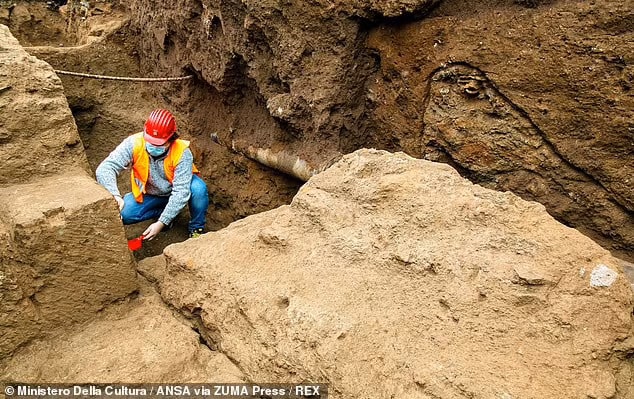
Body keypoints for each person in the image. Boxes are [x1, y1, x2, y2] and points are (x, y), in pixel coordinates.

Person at [96, 109, 209, 240]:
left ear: (171, 139)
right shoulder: (134, 143)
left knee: (198, 189)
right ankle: (165, 213)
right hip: (150, 192)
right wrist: (115, 195)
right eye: (150, 142)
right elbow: (105, 168)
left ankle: (196, 228)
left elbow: (181, 192)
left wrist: (161, 223)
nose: (153, 146)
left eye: (158, 144)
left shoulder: (182, 153)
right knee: (124, 214)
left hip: (176, 189)